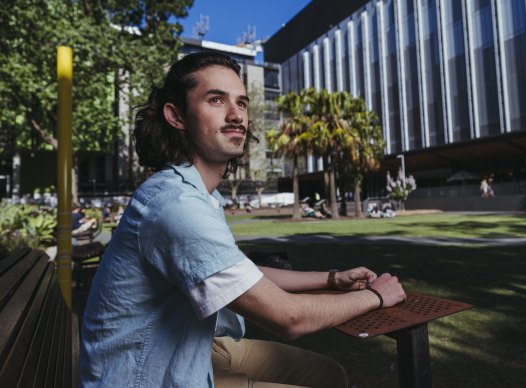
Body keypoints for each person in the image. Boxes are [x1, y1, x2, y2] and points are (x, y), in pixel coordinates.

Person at [79, 52, 406, 388]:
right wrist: (377, 296)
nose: (236, 115)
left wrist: (332, 279)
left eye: (242, 103)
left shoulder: (198, 194)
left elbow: (238, 273)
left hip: (193, 351)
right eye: (216, 100)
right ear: (176, 116)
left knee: (329, 375)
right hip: (144, 377)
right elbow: (288, 318)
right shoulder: (175, 206)